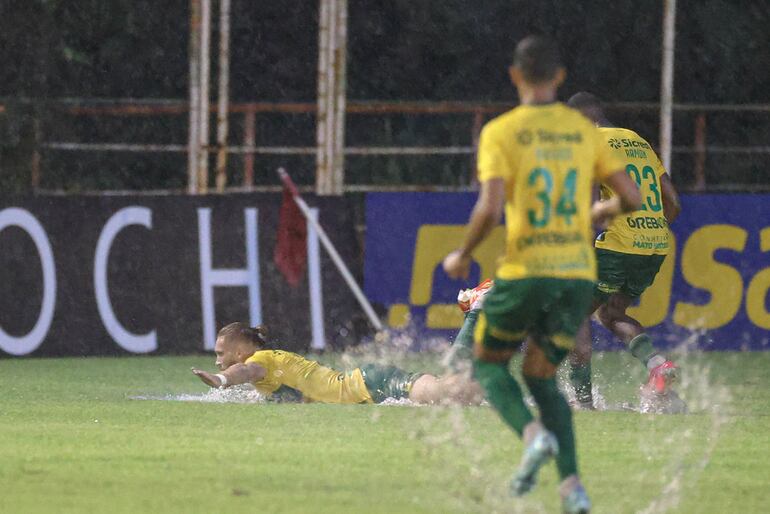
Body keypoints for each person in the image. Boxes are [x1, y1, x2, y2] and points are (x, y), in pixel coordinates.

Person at [442, 36, 641, 513]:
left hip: (528, 268)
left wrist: (462, 253)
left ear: (515, 76)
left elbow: (489, 208)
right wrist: (602, 211)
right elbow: (630, 199)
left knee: (488, 365)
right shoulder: (585, 132)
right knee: (542, 376)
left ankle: (532, 437)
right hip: (575, 276)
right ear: (559, 78)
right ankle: (573, 489)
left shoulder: (501, 132)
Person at [566, 92, 682, 409]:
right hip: (655, 245)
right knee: (612, 313)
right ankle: (658, 366)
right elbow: (672, 201)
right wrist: (651, 230)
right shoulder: (638, 142)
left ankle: (583, 401)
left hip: (617, 245)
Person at [191, 322, 484, 405]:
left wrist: (222, 381)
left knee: (454, 393)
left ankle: (475, 313)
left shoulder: (258, 362)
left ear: (241, 351)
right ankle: (477, 319)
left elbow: (242, 372)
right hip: (366, 384)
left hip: (370, 386)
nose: (218, 361)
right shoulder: (267, 368)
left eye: (221, 354)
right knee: (460, 392)